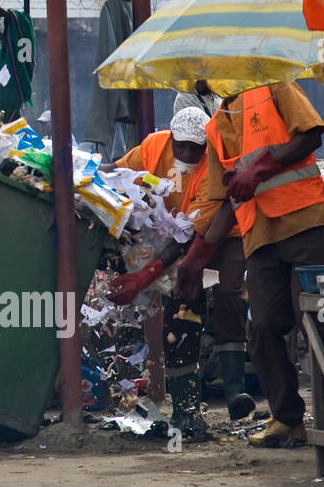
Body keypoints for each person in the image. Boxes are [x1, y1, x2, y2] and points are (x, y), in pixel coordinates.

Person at [124, 82, 324, 448]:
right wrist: (194, 263)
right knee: (264, 327)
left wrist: (259, 170)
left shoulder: (274, 86)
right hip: (260, 236)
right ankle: (288, 419)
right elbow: (223, 206)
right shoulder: (216, 126)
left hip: (305, 224)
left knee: (321, 320)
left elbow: (311, 134)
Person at [106, 106, 254, 432]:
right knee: (180, 302)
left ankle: (227, 393)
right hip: (171, 236)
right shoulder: (153, 146)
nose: (187, 153)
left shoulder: (212, 164)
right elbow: (114, 172)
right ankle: (184, 409)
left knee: (221, 294)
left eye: (195, 148)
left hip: (218, 235)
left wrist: (145, 275)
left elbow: (190, 236)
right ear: (171, 137)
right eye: (181, 145)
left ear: (206, 147)